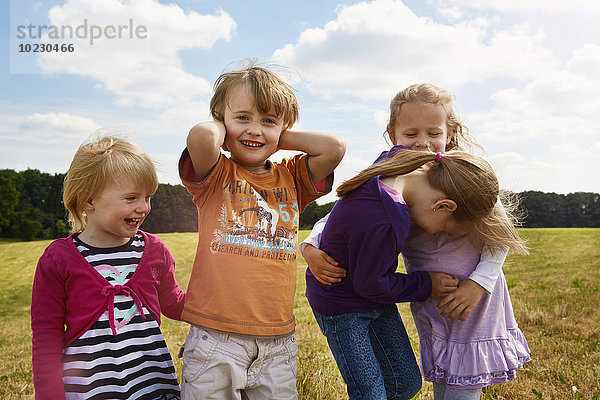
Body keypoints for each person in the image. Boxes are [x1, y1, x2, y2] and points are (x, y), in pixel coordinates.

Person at [302, 83, 530, 399]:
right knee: (442, 369)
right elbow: (340, 215)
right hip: (431, 298)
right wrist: (309, 246)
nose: (422, 144)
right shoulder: (392, 177)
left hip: (471, 298)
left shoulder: (464, 178)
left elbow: (499, 236)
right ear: (392, 135)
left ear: (451, 133)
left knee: (463, 380)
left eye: (433, 133)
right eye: (411, 135)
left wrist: (478, 284)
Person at [178, 64, 345, 399]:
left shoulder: (293, 177)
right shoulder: (216, 174)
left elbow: (334, 148)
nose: (254, 130)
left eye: (267, 120)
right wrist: (230, 127)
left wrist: (278, 135)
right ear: (222, 122)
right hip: (216, 339)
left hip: (278, 343)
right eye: (243, 118)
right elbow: (201, 136)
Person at [306, 148, 507, 400]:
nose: (437, 234)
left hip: (375, 299)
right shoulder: (385, 218)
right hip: (342, 306)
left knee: (406, 384)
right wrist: (426, 284)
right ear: (443, 206)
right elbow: (371, 285)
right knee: (371, 394)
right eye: (446, 228)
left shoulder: (399, 163)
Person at [31, 135, 186, 400]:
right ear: (89, 201)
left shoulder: (155, 250)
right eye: (131, 197)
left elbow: (174, 302)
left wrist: (221, 304)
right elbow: (46, 339)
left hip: (151, 385)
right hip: (92, 390)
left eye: (147, 197)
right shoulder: (58, 259)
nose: (143, 207)